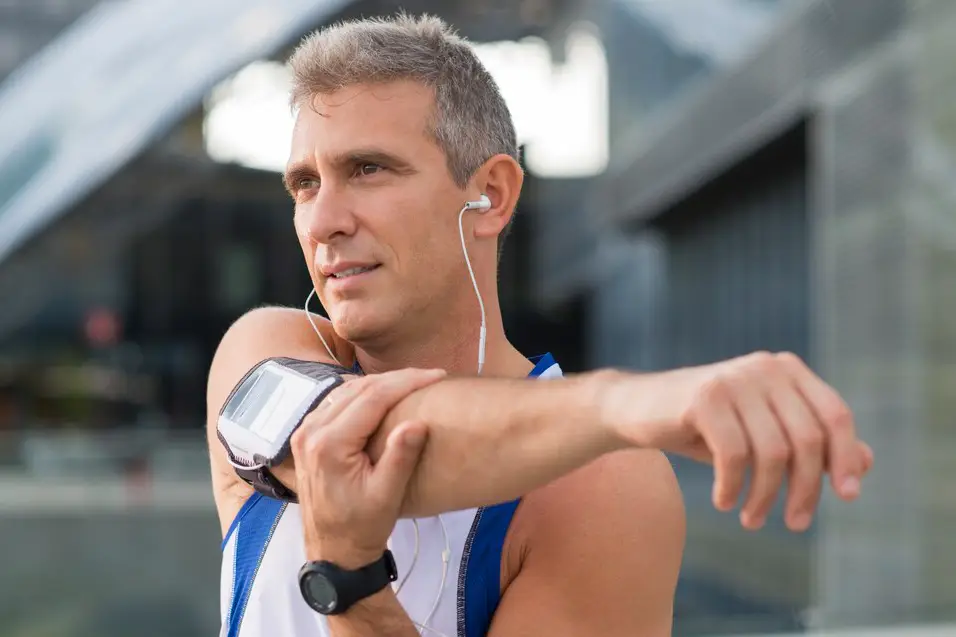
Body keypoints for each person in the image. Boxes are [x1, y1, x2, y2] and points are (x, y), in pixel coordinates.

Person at [207, 13, 873, 637]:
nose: (324, 221)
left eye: (368, 169)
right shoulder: (262, 350)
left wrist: (352, 583)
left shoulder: (600, 486)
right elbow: (362, 443)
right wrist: (629, 401)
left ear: (490, 195)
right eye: (304, 184)